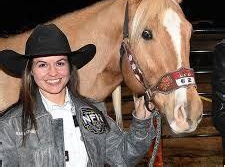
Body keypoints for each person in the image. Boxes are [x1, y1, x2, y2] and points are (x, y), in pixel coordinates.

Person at [0, 23, 155, 167]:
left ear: (69, 68)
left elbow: (122, 157)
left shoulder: (93, 112)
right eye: (42, 64)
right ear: (31, 72)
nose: (53, 72)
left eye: (60, 63)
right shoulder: (10, 124)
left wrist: (142, 121)